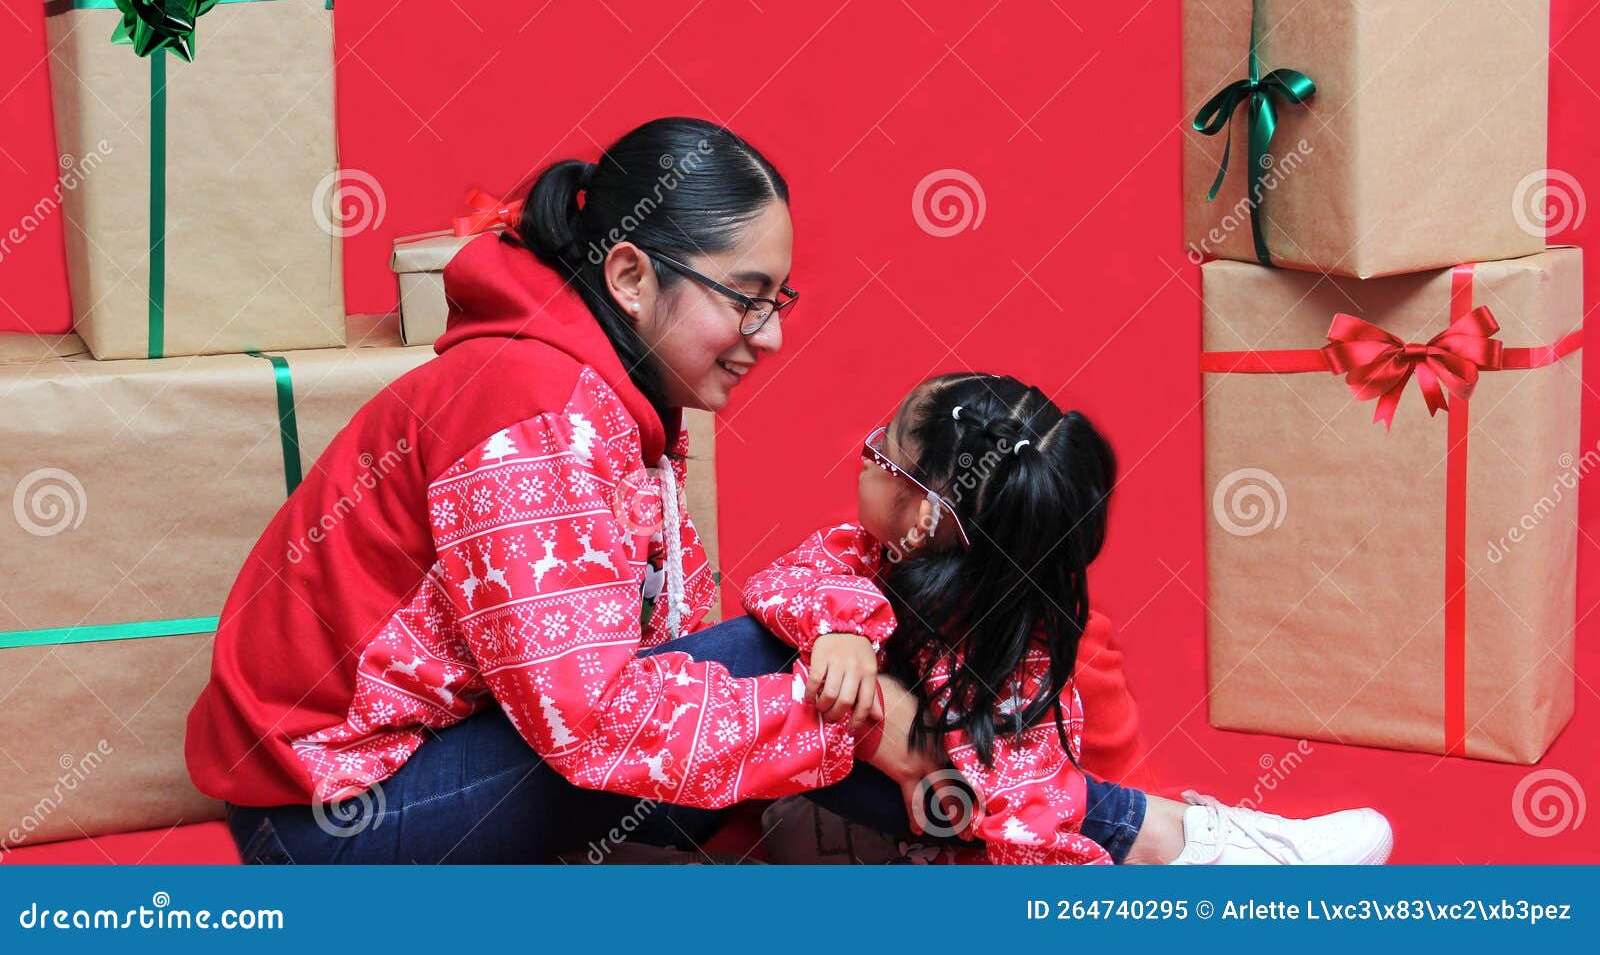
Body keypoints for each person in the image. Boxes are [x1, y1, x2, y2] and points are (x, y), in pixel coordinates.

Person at [185, 117, 1144, 863]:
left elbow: (653, 651)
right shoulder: (535, 411)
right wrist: (863, 726)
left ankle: (1115, 830)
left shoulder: (604, 391)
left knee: (833, 656)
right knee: (797, 663)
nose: (768, 336)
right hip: (332, 824)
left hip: (437, 766)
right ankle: (1135, 836)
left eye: (781, 300)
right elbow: (596, 719)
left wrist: (850, 699)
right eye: (747, 295)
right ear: (632, 274)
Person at [742, 373, 1396, 865]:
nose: (865, 449)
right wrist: (839, 628)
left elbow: (1092, 775)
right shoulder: (855, 561)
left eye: (881, 447)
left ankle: (1196, 851)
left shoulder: (1044, 647)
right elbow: (782, 582)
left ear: (920, 512)